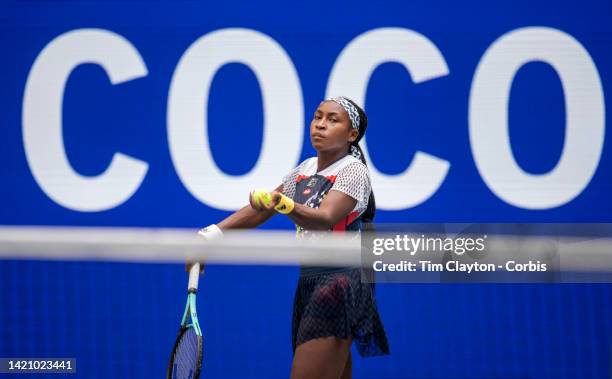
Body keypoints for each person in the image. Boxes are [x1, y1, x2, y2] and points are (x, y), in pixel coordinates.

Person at [196, 97, 390, 379]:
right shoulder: (305, 169)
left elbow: (325, 218)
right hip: (310, 283)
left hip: (339, 285)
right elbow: (260, 211)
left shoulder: (353, 171)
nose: (321, 125)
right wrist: (211, 235)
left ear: (352, 135)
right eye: (317, 117)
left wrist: (282, 203)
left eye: (333, 120)